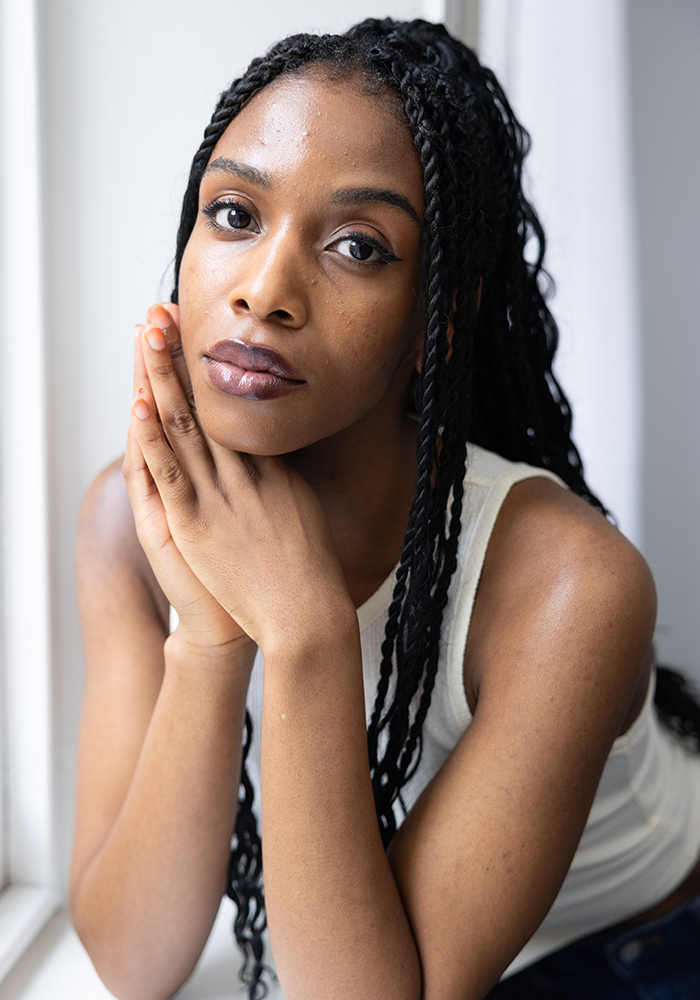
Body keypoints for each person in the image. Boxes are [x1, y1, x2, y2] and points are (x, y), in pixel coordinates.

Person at [70, 17, 700, 1000]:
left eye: (358, 246)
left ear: (433, 321)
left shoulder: (572, 587)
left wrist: (306, 626)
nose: (264, 291)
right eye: (234, 213)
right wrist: (208, 637)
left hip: (638, 954)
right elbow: (131, 960)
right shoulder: (130, 517)